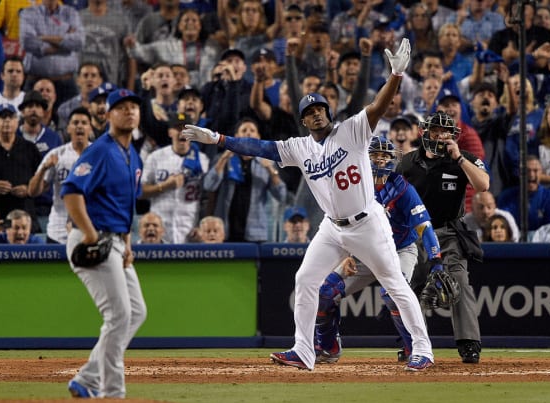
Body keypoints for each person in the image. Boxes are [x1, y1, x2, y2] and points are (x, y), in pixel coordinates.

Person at [182, 38, 435, 371]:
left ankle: (423, 349)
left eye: (320, 110)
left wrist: (396, 77)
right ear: (303, 120)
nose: (316, 115)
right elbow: (259, 147)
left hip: (367, 223)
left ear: (328, 113)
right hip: (332, 226)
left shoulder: (352, 131)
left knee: (395, 284)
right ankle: (303, 351)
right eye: (309, 113)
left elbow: (376, 106)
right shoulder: (299, 147)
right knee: (305, 279)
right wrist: (219, 139)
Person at [313, 136, 446, 364]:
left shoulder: (403, 188)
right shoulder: (351, 185)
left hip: (400, 250)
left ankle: (414, 349)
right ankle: (328, 348)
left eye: (385, 156)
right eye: (375, 155)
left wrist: (436, 260)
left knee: (393, 294)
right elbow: (337, 223)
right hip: (362, 252)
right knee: (325, 292)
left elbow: (424, 226)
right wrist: (345, 254)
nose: (380, 161)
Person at [62, 88, 147, 399]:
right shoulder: (100, 150)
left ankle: (86, 378)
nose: (129, 112)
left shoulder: (133, 155)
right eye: (121, 107)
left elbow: (126, 206)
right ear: (108, 114)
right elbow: (71, 192)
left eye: (134, 107)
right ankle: (112, 392)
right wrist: (89, 233)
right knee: (119, 315)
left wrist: (128, 244)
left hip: (116, 242)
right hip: (93, 239)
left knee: (136, 312)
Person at [396, 110, 490, 364]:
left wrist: (459, 158)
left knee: (458, 281)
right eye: (436, 130)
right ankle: (412, 342)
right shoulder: (407, 162)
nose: (441, 135)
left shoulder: (461, 159)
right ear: (424, 132)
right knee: (407, 286)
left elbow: (483, 185)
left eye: (446, 131)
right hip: (414, 233)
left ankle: (469, 343)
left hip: (448, 232)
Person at [202, 117, 287, 242]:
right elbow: (209, 185)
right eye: (244, 130)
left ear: (258, 136)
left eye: (252, 130)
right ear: (236, 136)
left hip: (255, 233)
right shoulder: (223, 159)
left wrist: (271, 170)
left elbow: (281, 196)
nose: (248, 133)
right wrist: (223, 159)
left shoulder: (266, 163)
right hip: (226, 231)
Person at [141, 112, 209, 243]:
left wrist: (201, 225)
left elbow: (207, 198)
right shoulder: (155, 157)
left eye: (186, 129)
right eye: (177, 128)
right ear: (170, 132)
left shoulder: (203, 160)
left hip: (190, 232)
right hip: (159, 233)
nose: (182, 132)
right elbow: (139, 192)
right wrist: (164, 186)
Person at [27, 107, 91, 244]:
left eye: (84, 123)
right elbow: (32, 191)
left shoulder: (99, 156)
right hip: (58, 232)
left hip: (90, 229)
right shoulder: (56, 154)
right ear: (68, 128)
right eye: (75, 123)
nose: (79, 126)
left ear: (90, 129)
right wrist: (44, 168)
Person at [19, 0, 85, 107]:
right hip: (35, 81)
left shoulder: (71, 13)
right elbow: (27, 41)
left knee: (71, 120)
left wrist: (43, 38)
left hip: (66, 83)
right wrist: (65, 44)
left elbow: (79, 42)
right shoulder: (29, 13)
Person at [498, 155, 550, 233]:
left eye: (535, 170)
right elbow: (503, 225)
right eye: (527, 171)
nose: (531, 175)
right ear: (519, 173)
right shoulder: (506, 197)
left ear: (541, 172)